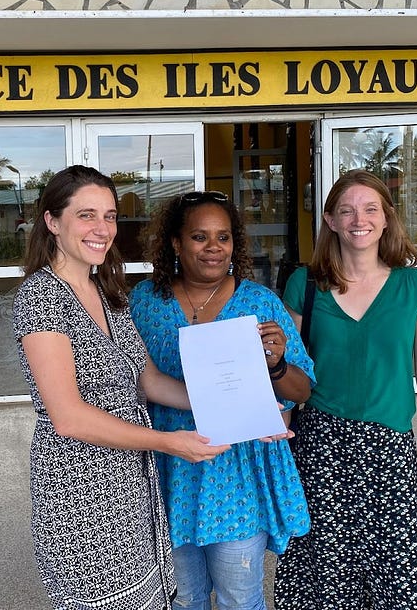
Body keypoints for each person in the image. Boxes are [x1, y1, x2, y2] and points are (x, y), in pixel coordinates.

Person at [13, 166, 230, 610]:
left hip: (132, 486)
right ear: (53, 222)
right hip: (79, 491)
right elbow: (68, 416)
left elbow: (147, 380)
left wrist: (242, 411)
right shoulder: (40, 299)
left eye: (110, 216)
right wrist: (168, 442)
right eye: (87, 215)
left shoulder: (107, 291)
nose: (102, 229)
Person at [129, 190, 316, 610]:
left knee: (239, 598)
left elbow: (302, 390)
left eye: (224, 237)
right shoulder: (144, 302)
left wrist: (277, 363)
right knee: (183, 597)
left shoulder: (259, 304)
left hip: (237, 471)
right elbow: (130, 379)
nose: (214, 248)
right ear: (176, 243)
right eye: (199, 237)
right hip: (167, 466)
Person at [273, 169, 417, 610]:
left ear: (387, 218)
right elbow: (290, 374)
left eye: (371, 209)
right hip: (319, 448)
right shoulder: (305, 285)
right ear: (330, 220)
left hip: (389, 447)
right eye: (346, 210)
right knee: (324, 571)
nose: (359, 219)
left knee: (398, 573)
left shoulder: (416, 286)